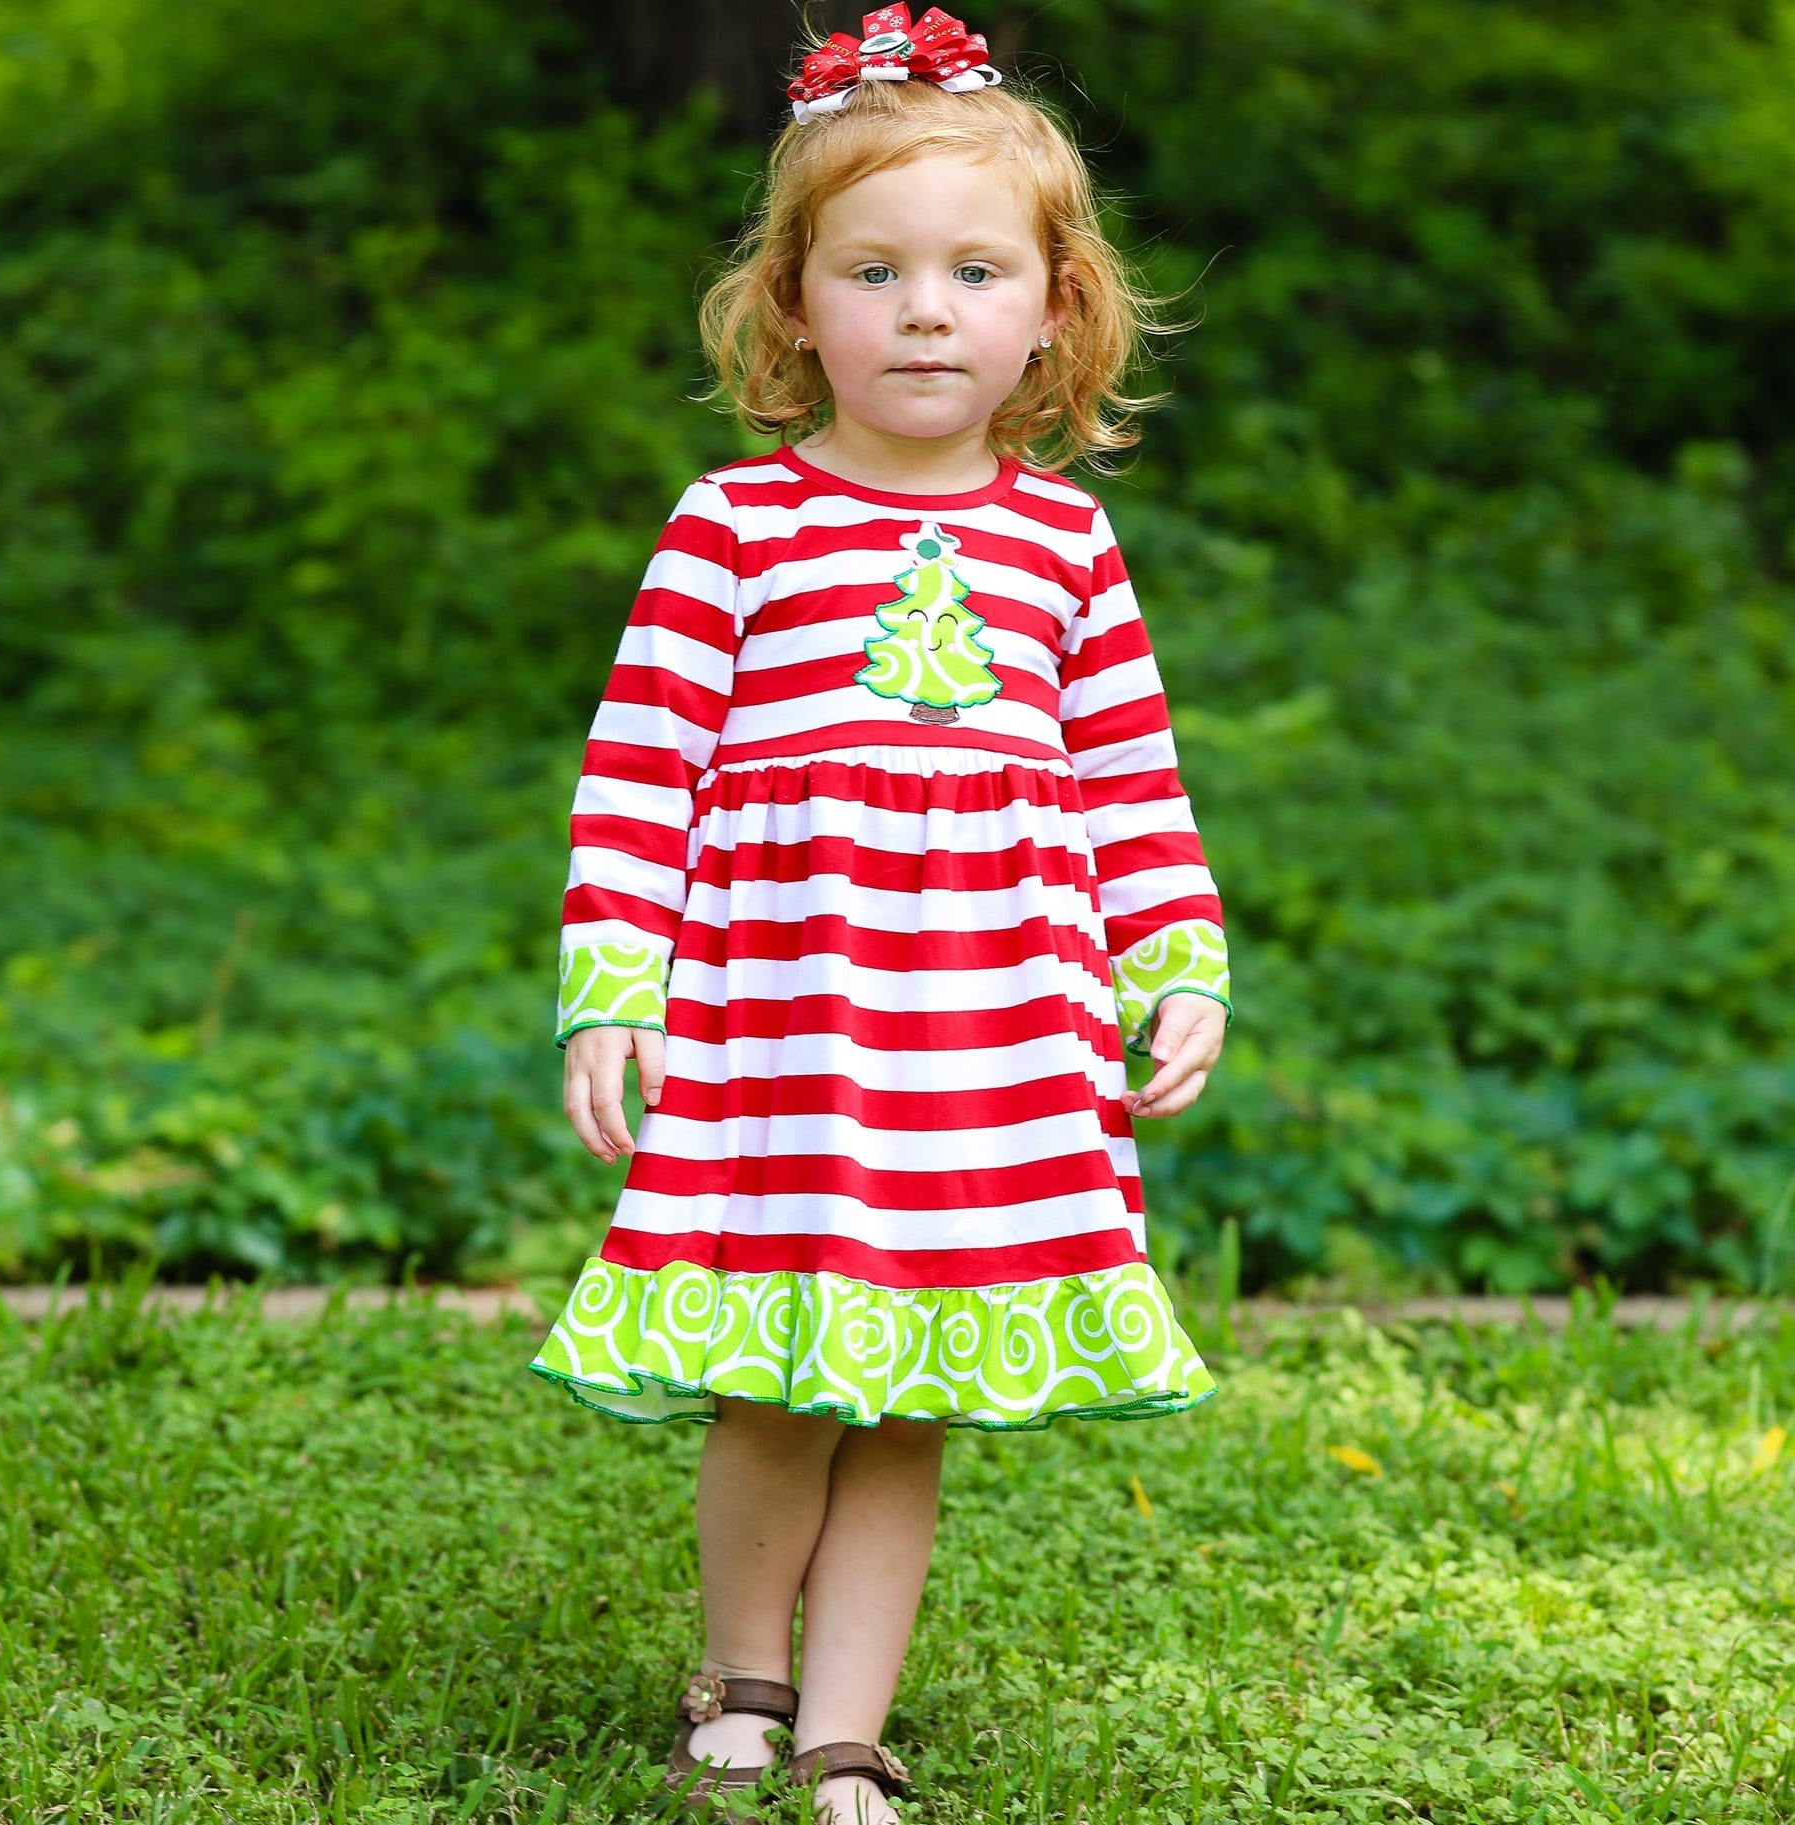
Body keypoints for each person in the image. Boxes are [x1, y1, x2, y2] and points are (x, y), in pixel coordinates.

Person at [529, 9, 1233, 1822]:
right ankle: (739, 1681)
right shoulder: (736, 528)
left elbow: (1129, 781)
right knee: (775, 1382)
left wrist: (1171, 961)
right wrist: (618, 984)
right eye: (875, 269)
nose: (927, 309)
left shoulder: (1063, 547)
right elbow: (640, 771)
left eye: (974, 269)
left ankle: (849, 1720)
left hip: (989, 1031)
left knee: (908, 1387)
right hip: (790, 1024)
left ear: (1052, 313)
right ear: (793, 307)